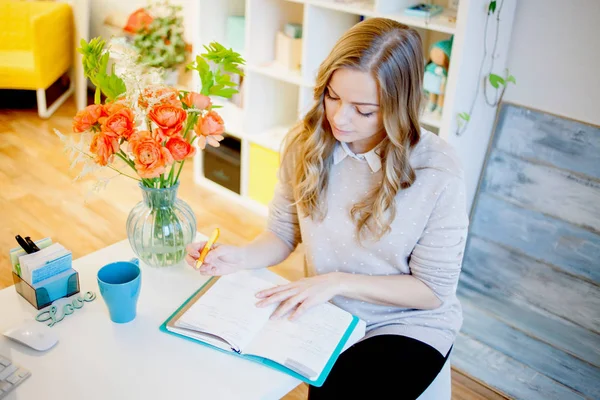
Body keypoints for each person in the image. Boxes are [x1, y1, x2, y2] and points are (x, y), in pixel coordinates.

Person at [186, 17, 469, 399]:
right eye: (333, 97)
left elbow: (432, 291)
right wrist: (237, 257)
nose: (339, 117)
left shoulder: (438, 173)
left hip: (406, 323)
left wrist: (337, 281)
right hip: (327, 312)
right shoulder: (307, 143)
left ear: (399, 106)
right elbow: (283, 234)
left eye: (363, 110)